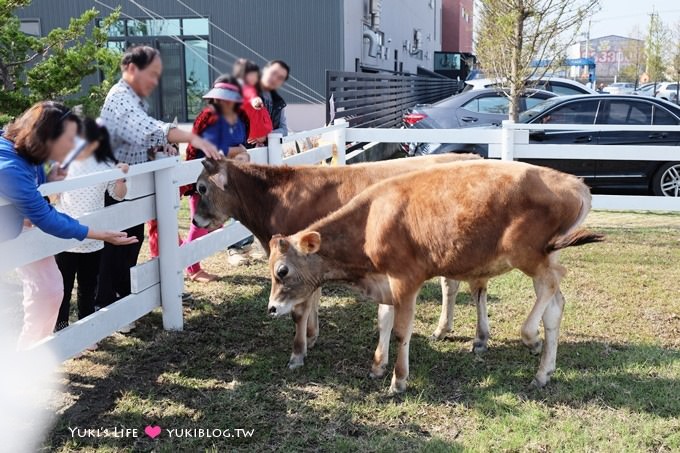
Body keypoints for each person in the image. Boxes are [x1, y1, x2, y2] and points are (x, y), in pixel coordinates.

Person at [97, 46, 221, 329]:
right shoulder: (120, 99)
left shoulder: (134, 99)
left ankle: (122, 302)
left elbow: (145, 137)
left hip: (130, 187)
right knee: (116, 249)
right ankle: (110, 307)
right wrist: (193, 138)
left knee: (130, 244)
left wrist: (160, 148)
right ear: (131, 68)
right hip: (115, 187)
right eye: (151, 74)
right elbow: (147, 129)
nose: (155, 82)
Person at [0, 101, 137, 350]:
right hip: (27, 238)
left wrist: (49, 180)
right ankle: (25, 358)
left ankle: (36, 354)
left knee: (53, 290)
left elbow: (34, 188)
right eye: (71, 138)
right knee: (49, 291)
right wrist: (98, 233)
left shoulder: (24, 154)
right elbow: (46, 217)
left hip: (24, 234)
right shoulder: (9, 167)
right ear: (48, 136)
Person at [54, 118, 129, 348]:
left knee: (88, 287)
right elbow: (50, 192)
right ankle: (62, 331)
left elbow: (118, 195)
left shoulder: (105, 164)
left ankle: (86, 332)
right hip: (65, 236)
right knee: (63, 288)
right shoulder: (63, 162)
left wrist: (120, 177)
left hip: (94, 237)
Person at [181, 75, 251, 278]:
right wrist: (237, 150)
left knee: (214, 224)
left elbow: (243, 144)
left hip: (227, 178)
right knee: (202, 223)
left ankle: (180, 255)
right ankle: (192, 269)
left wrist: (240, 151)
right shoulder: (209, 117)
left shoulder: (240, 118)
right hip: (206, 178)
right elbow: (214, 149)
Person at [232, 58, 273, 146]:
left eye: (255, 75)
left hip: (261, 130)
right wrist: (255, 101)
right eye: (250, 75)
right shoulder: (244, 89)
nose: (253, 78)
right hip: (252, 130)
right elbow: (252, 96)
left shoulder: (262, 91)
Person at [259, 59, 290, 137]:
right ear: (265, 70)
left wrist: (266, 135)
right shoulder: (246, 91)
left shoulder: (278, 102)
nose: (274, 79)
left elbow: (284, 130)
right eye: (273, 73)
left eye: (280, 78)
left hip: (266, 148)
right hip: (241, 147)